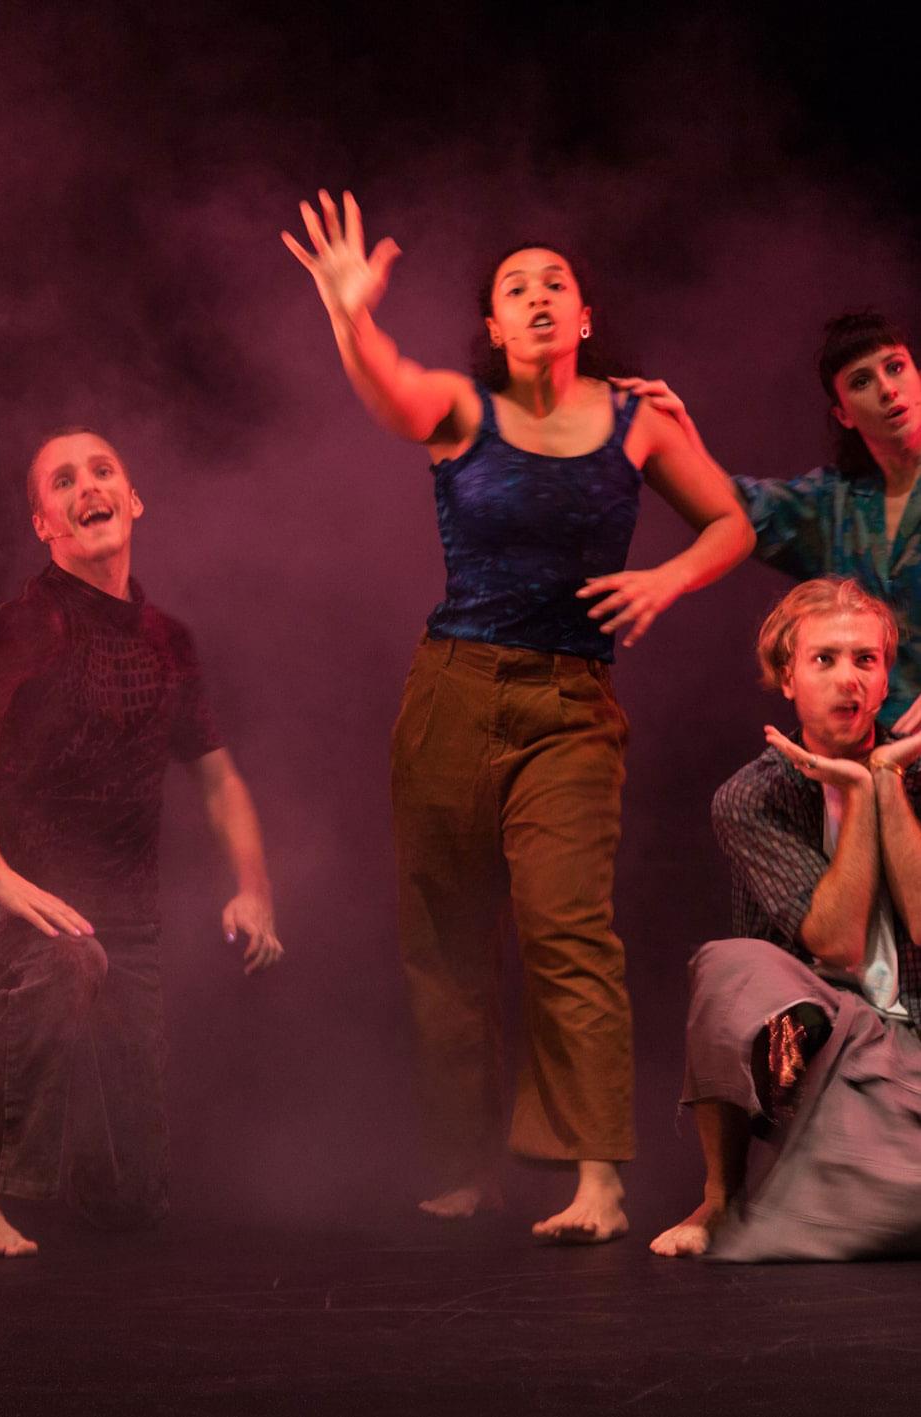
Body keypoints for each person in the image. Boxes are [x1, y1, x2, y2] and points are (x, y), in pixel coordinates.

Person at [282, 190, 754, 1242]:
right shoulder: (463, 408)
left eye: (554, 284)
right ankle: (466, 1167)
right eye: (514, 288)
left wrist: (665, 578)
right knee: (445, 938)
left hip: (569, 705)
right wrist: (349, 314)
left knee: (567, 927)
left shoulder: (638, 419)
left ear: (583, 317)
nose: (536, 297)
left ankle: (597, 1179)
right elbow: (388, 388)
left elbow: (729, 520)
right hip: (451, 689)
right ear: (493, 327)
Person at [0, 429, 284, 1258]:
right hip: (24, 921)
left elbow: (220, 780)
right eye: (62, 480)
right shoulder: (23, 627)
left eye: (102, 470)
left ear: (133, 499)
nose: (86, 486)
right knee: (68, 960)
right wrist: (1, 878)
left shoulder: (167, 640)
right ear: (43, 524)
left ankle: (72, 1147)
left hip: (126, 932)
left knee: (131, 1204)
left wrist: (255, 888)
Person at [651, 577, 921, 1262]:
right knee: (730, 965)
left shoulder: (913, 770)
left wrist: (885, 778)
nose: (848, 679)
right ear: (787, 678)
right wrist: (854, 789)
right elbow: (837, 941)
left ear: (885, 679)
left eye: (865, 659)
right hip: (807, 1048)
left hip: (911, 1045)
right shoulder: (752, 796)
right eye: (824, 659)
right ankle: (721, 1198)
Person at [616, 310, 921, 731]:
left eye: (896, 367)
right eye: (862, 381)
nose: (887, 389)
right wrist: (681, 441)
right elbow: (735, 512)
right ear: (843, 415)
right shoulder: (834, 502)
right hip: (865, 744)